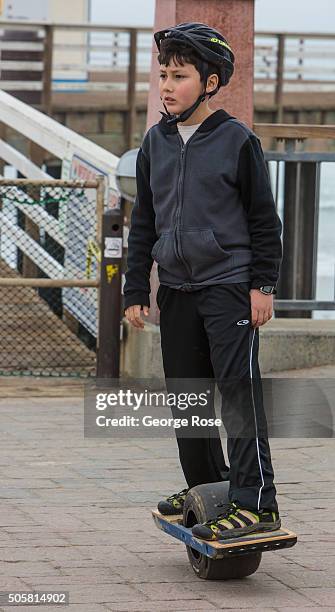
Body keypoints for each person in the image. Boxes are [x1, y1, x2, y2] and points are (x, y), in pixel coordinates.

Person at [123, 22, 283, 541]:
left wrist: (263, 285)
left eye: (180, 75)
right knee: (187, 397)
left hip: (229, 286)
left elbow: (264, 220)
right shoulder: (156, 142)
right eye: (163, 74)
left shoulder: (237, 140)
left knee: (237, 395)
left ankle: (256, 501)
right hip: (176, 288)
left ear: (210, 83)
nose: (167, 85)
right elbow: (143, 221)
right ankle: (206, 485)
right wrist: (133, 290)